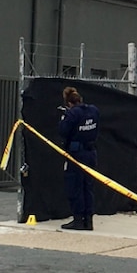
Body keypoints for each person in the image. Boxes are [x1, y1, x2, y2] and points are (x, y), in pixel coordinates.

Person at [58, 86, 99, 231]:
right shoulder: (93, 110)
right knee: (88, 187)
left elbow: (63, 131)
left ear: (68, 103)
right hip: (91, 153)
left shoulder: (73, 114)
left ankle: (78, 220)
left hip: (77, 154)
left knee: (75, 187)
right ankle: (88, 220)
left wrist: (65, 117)